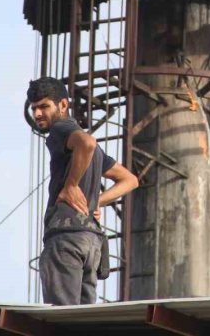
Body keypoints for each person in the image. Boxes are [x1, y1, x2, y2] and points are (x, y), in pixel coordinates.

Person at [27, 77, 139, 305]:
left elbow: (86, 143)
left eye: (44, 106)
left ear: (63, 105)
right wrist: (95, 202)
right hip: (91, 243)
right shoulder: (92, 149)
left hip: (66, 238)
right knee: (81, 321)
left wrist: (71, 185)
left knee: (62, 319)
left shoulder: (61, 129)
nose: (38, 114)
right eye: (34, 108)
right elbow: (130, 179)